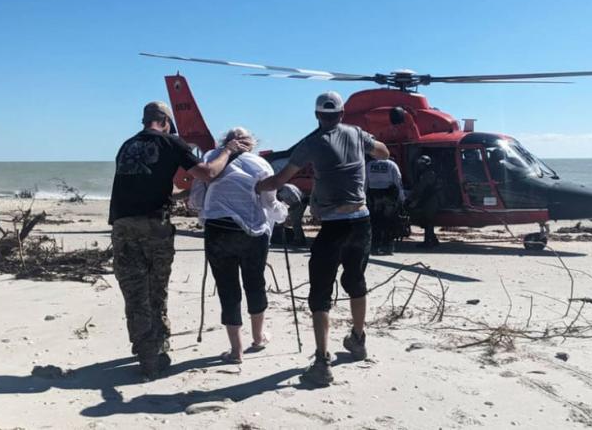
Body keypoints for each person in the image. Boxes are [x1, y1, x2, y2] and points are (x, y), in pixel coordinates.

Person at [256, 91, 391, 387]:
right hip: (362, 221)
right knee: (356, 281)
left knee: (320, 292)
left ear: (317, 115)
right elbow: (383, 152)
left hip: (333, 225)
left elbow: (279, 181)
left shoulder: (311, 143)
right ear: (342, 114)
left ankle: (321, 361)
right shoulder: (356, 133)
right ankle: (358, 339)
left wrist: (255, 187)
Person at [108, 101, 245, 380]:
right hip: (153, 227)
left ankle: (147, 349)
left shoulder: (126, 146)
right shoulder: (171, 143)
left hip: (122, 225)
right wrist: (229, 150)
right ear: (165, 121)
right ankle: (154, 352)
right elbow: (207, 173)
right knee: (156, 290)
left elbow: (144, 184)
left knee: (134, 293)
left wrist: (175, 197)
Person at [189, 127, 288, 364]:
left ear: (226, 142)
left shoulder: (211, 158)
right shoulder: (261, 165)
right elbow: (269, 202)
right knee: (255, 282)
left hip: (218, 229)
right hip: (253, 232)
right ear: (251, 144)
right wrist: (283, 212)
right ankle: (258, 337)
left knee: (227, 287)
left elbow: (196, 200)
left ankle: (236, 350)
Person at [365, 157, 404, 255]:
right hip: (389, 196)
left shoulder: (369, 165)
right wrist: (401, 198)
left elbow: (365, 182)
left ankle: (374, 247)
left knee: (375, 222)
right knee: (389, 222)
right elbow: (398, 181)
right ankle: (388, 247)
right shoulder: (391, 164)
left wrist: (364, 196)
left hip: (374, 196)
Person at [406, 155, 440, 248]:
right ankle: (433, 240)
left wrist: (411, 199)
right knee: (426, 220)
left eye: (421, 165)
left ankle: (428, 242)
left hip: (430, 199)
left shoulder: (428, 174)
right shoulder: (425, 173)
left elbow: (421, 188)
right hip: (427, 199)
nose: (420, 166)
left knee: (428, 221)